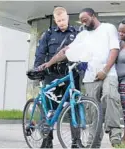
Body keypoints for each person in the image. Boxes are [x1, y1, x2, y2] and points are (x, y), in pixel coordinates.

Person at [39, 8, 122, 148]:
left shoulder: (108, 28)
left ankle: (115, 136)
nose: (83, 22)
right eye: (81, 20)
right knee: (93, 111)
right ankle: (93, 144)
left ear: (93, 16)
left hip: (108, 73)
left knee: (110, 96)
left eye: (85, 19)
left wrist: (105, 70)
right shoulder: (82, 35)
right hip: (90, 77)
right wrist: (49, 63)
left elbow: (115, 49)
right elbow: (65, 52)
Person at [34, 7, 81, 148]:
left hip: (71, 74)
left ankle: (76, 142)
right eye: (59, 20)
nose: (61, 22)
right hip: (52, 75)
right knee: (48, 108)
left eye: (63, 19)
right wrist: (38, 70)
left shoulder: (76, 33)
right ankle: (47, 140)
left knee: (75, 107)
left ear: (67, 17)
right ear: (55, 20)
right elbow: (40, 53)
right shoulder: (48, 34)